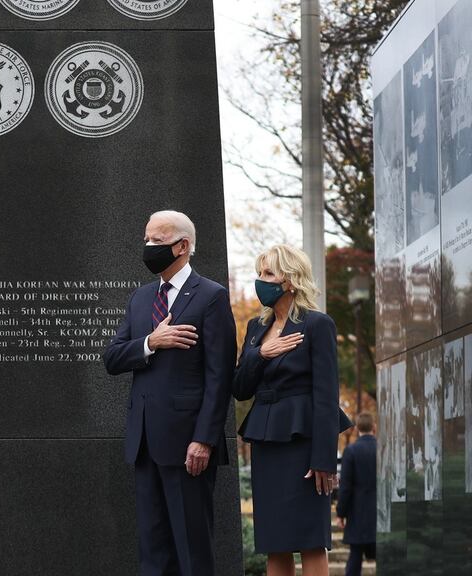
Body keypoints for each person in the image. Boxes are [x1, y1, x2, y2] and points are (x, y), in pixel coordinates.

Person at [104, 210, 237, 576]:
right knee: (153, 550)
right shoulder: (141, 298)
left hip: (187, 446)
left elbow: (220, 375)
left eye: (157, 241)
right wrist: (151, 341)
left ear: (183, 246)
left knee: (192, 549)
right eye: (146, 240)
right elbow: (112, 358)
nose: (149, 247)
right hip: (144, 442)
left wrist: (204, 440)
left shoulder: (210, 296)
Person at [233, 244, 353, 576]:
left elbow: (327, 396)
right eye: (259, 273)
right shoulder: (256, 329)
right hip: (267, 443)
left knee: (311, 539)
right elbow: (240, 386)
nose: (261, 280)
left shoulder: (317, 325)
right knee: (276, 541)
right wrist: (262, 354)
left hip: (304, 445)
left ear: (291, 280)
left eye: (269, 273)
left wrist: (325, 459)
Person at [337, 413, 377, 576]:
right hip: (380, 511)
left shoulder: (351, 451)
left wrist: (341, 513)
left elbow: (345, 486)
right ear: (374, 428)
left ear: (357, 429)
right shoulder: (384, 449)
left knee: (355, 557)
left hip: (358, 512)